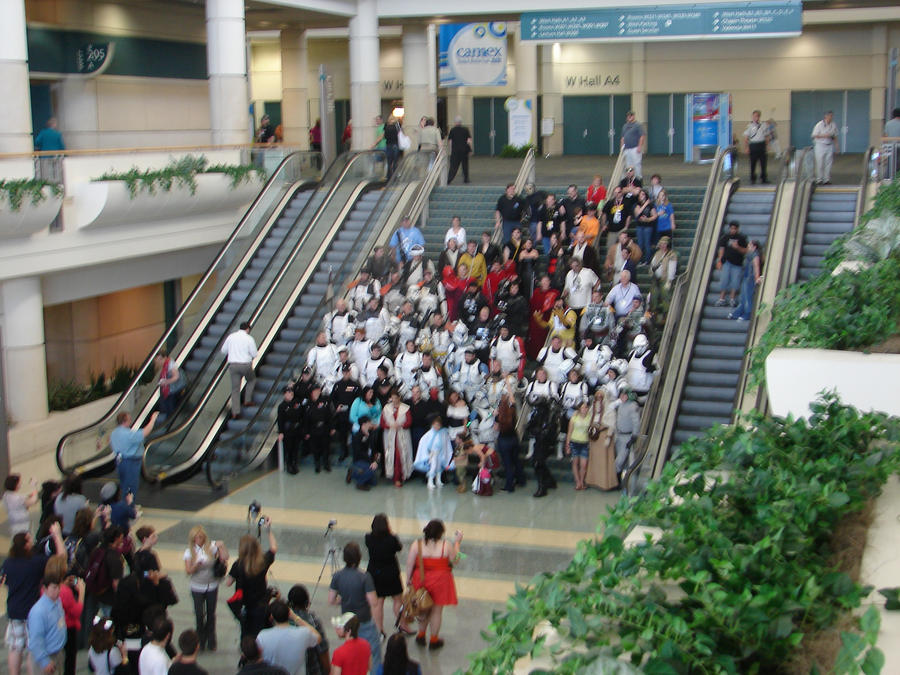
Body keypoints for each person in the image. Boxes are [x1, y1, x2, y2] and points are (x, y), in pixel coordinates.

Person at [3, 523, 63, 675]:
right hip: (33, 612)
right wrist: (56, 535)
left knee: (16, 647)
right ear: (25, 546)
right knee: (33, 648)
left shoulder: (8, 563)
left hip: (14, 610)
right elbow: (61, 558)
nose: (32, 542)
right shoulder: (36, 562)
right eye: (29, 540)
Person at [405, 520, 461, 649]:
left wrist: (408, 580)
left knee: (422, 608)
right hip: (441, 581)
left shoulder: (417, 544)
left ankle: (421, 635)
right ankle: (434, 639)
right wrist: (457, 543)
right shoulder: (446, 545)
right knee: (436, 611)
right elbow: (456, 560)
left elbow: (409, 563)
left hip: (421, 580)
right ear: (441, 533)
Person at [329, 542, 380, 670]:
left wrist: (343, 600)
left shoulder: (337, 576)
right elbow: (373, 601)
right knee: (373, 652)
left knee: (350, 650)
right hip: (364, 620)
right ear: (359, 557)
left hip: (348, 621)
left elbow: (331, 600)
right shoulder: (365, 577)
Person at [226, 523, 278, 639]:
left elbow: (228, 583)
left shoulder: (238, 564)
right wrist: (268, 531)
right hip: (261, 604)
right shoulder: (263, 561)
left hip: (245, 606)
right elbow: (273, 548)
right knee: (262, 631)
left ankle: (248, 651)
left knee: (246, 633)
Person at [183, 525, 227, 652]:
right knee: (199, 615)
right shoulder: (189, 552)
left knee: (211, 614)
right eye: (196, 538)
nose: (199, 540)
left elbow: (225, 557)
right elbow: (188, 571)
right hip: (197, 587)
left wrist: (221, 546)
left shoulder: (211, 548)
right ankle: (200, 641)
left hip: (212, 585)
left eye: (201, 537)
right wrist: (196, 564)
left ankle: (211, 641)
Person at [365, 515, 409, 637]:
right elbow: (399, 548)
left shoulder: (368, 538)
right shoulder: (392, 539)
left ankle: (379, 630)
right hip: (391, 573)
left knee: (378, 603)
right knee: (397, 600)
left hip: (374, 573)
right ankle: (402, 625)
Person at [256, 600, 320, 675]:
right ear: (289, 614)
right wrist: (295, 617)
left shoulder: (263, 635)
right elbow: (318, 637)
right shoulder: (302, 633)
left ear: (271, 617)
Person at [44, 556, 84, 675]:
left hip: (53, 628)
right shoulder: (65, 592)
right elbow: (76, 611)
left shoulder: (45, 588)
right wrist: (81, 592)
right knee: (69, 660)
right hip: (68, 627)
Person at [109, 411, 158, 501]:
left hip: (119, 460)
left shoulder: (114, 433)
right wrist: (153, 419)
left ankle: (125, 505)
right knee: (131, 486)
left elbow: (112, 446)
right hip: (130, 462)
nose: (131, 421)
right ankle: (129, 508)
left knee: (124, 484)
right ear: (125, 421)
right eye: (129, 419)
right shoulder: (128, 434)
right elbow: (145, 432)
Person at [27, 574, 67, 675]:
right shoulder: (38, 611)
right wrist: (45, 661)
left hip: (58, 653)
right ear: (45, 588)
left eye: (59, 587)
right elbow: (36, 639)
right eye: (54, 587)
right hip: (46, 657)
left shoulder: (58, 602)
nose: (58, 590)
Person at [287, 585, 330, 675]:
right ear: (307, 603)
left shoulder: (283, 620)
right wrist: (328, 671)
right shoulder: (313, 621)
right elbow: (323, 650)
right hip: (312, 669)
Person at [221, 321, 258, 419]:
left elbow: (223, 350)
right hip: (245, 365)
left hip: (233, 365)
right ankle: (247, 400)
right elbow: (254, 353)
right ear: (247, 329)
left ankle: (235, 412)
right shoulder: (249, 339)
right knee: (251, 380)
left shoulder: (231, 337)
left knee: (235, 389)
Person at [380, 390, 413, 487]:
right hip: (390, 436)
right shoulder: (386, 408)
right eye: (392, 398)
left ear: (399, 398)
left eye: (395, 398)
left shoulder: (405, 408)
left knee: (401, 455)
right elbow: (382, 423)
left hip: (402, 435)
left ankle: (401, 476)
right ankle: (393, 476)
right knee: (391, 455)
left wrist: (400, 425)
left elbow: (409, 422)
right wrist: (391, 426)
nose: (393, 400)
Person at [585, 389, 617, 490]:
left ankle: (605, 483)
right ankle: (593, 480)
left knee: (604, 461)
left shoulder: (609, 409)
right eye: (597, 396)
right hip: (594, 437)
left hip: (603, 436)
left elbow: (612, 424)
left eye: (600, 397)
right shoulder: (592, 409)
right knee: (594, 460)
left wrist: (608, 436)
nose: (598, 398)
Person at [413, 415, 453, 490]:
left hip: (440, 453)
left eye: (438, 425)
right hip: (433, 454)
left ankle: (438, 480)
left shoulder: (443, 433)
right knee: (433, 467)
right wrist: (428, 452)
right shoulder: (429, 434)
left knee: (439, 467)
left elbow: (446, 443)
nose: (437, 426)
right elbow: (424, 442)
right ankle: (430, 481)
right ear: (432, 424)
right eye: (435, 425)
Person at [715, 221, 748, 307]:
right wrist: (719, 261)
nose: (733, 230)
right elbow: (721, 249)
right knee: (724, 280)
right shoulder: (725, 237)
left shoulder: (742, 238)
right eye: (732, 228)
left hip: (738, 263)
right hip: (727, 262)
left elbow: (746, 251)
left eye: (735, 229)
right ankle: (722, 298)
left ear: (737, 229)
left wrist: (738, 247)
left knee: (735, 281)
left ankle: (732, 298)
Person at [730, 240, 764, 321]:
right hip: (745, 277)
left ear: (754, 247)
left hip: (750, 278)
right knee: (743, 296)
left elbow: (756, 267)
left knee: (748, 297)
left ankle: (748, 313)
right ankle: (738, 312)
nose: (748, 247)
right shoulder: (749, 254)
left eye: (750, 245)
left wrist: (756, 277)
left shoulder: (755, 255)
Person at [565, 400, 592, 491]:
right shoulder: (574, 418)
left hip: (584, 442)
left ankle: (582, 480)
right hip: (574, 441)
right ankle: (578, 482)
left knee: (583, 465)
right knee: (575, 463)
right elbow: (569, 432)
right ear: (579, 409)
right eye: (583, 407)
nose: (585, 409)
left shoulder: (589, 418)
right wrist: (567, 445)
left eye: (586, 407)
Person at [277, 386, 302, 474]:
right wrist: (281, 432)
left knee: (296, 448)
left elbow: (300, 415)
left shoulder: (296, 403)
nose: (290, 394)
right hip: (288, 430)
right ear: (284, 394)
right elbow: (280, 420)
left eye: (291, 392)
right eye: (288, 393)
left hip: (296, 429)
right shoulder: (282, 406)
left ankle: (295, 464)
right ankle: (289, 465)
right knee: (289, 449)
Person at [152, 351, 182, 420]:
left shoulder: (170, 364)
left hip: (171, 390)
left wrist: (165, 382)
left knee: (169, 408)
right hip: (168, 390)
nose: (158, 362)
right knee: (166, 406)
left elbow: (176, 376)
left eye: (159, 360)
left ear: (164, 357)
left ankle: (169, 422)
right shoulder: (166, 364)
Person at [743, 110, 770, 184]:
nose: (755, 118)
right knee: (753, 163)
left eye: (757, 116)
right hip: (753, 146)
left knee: (763, 163)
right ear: (752, 117)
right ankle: (752, 178)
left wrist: (767, 145)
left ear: (759, 117)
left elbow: (767, 136)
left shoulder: (763, 125)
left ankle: (764, 178)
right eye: (754, 116)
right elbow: (746, 138)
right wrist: (747, 147)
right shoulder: (749, 126)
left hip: (762, 145)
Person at [811, 110, 838, 185]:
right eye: (829, 116)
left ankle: (826, 179)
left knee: (828, 163)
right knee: (820, 162)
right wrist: (824, 135)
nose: (831, 117)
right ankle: (819, 179)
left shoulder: (833, 125)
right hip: (820, 145)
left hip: (829, 145)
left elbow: (835, 136)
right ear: (825, 116)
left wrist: (836, 146)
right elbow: (814, 135)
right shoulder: (819, 125)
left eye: (832, 116)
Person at [632, 190, 657, 266]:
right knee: (640, 244)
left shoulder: (651, 205)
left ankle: (647, 260)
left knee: (647, 244)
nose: (642, 196)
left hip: (648, 226)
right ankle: (640, 259)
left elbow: (654, 216)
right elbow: (638, 213)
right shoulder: (637, 204)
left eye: (643, 194)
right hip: (640, 226)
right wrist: (645, 204)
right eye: (640, 195)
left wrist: (647, 219)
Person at [446, 116, 472, 184]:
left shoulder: (452, 130)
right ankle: (466, 179)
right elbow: (469, 140)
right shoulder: (466, 129)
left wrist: (450, 149)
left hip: (455, 151)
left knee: (453, 166)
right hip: (464, 150)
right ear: (461, 122)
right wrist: (469, 149)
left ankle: (449, 179)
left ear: (455, 122)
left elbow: (450, 141)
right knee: (465, 165)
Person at [620, 111, 646, 178]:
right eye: (628, 116)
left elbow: (642, 136)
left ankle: (638, 178)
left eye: (631, 116)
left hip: (635, 148)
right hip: (627, 149)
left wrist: (639, 146)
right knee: (628, 165)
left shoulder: (638, 125)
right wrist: (622, 148)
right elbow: (623, 137)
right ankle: (630, 179)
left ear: (633, 116)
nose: (630, 117)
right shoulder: (625, 126)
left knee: (636, 164)